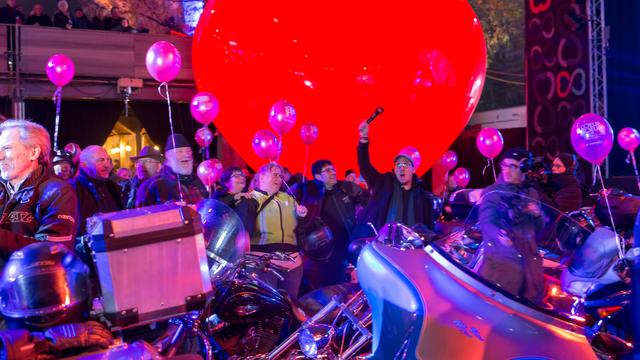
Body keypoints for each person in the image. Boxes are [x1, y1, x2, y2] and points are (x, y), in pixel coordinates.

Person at [0, 242, 113, 358]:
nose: (41, 301)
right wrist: (43, 343)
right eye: (33, 294)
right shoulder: (5, 343)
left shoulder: (94, 335)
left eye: (50, 293)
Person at [0, 120, 78, 261]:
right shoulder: (2, 189)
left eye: (7, 148)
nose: (0, 156)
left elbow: (51, 250)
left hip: (31, 282)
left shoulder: (58, 191)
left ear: (34, 152)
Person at [476, 147, 545, 304]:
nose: (507, 170)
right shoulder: (492, 192)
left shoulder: (531, 193)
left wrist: (537, 215)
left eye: (512, 166)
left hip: (529, 266)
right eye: (504, 165)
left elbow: (540, 229)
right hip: (501, 265)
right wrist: (499, 235)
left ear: (524, 168)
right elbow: (486, 223)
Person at [292, 160, 368, 293]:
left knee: (339, 288)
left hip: (343, 248)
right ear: (317, 176)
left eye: (333, 169)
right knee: (319, 289)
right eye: (328, 170)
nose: (333, 172)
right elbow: (288, 197)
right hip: (320, 251)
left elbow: (369, 200)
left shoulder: (346, 188)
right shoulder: (309, 191)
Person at [236, 163, 307, 298]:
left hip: (292, 263)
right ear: (262, 177)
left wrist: (302, 217)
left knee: (290, 306)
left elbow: (301, 229)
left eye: (281, 175)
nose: (279, 178)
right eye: (274, 173)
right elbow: (241, 232)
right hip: (263, 263)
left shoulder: (290, 199)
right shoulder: (251, 199)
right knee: (266, 305)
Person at [356, 121, 437, 231]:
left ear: (413, 169)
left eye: (405, 164)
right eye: (398, 164)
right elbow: (365, 165)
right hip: (384, 245)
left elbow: (430, 230)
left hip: (412, 246)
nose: (401, 167)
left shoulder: (425, 198)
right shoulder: (383, 184)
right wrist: (364, 139)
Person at [137, 134, 208, 207]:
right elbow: (140, 215)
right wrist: (171, 211)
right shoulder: (152, 185)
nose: (187, 154)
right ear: (168, 156)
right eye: (180, 151)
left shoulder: (198, 181)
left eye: (188, 151)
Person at [71, 145, 124, 236]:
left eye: (108, 160)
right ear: (84, 165)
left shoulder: (112, 187)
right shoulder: (72, 189)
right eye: (101, 160)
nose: (107, 165)